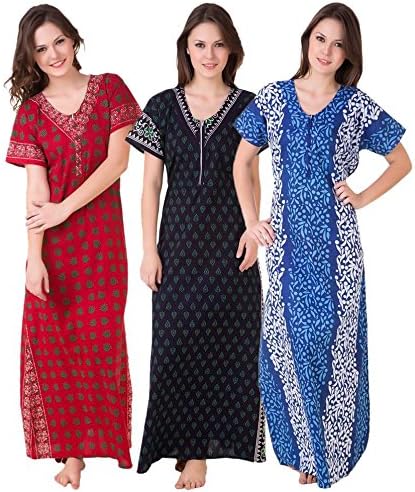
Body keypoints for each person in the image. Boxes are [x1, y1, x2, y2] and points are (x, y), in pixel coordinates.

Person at [233, 2, 411, 488]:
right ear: (306, 40)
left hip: (338, 251)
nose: (327, 51)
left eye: (338, 44)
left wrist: (361, 197)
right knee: (286, 346)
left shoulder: (356, 105)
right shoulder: (273, 98)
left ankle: (328, 454)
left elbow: (402, 161)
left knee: (333, 347)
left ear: (348, 53)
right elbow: (242, 161)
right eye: (320, 39)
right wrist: (252, 222)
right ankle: (304, 453)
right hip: (286, 247)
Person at [126, 3, 265, 489]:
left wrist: (253, 230)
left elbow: (251, 174)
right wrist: (149, 249)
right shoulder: (161, 105)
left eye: (219, 45)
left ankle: (199, 453)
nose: (210, 54)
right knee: (175, 348)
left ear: (232, 51)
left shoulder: (250, 106)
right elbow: (150, 185)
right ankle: (184, 446)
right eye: (201, 44)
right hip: (179, 245)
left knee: (229, 347)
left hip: (230, 244)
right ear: (186, 48)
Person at [5, 4, 141, 489]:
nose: (53, 54)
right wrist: (34, 258)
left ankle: (102, 443)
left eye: (59, 41)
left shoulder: (110, 89)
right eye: (41, 49)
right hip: (53, 250)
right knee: (54, 347)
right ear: (31, 57)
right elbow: (35, 190)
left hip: (101, 245)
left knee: (100, 346)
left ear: (74, 39)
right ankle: (71, 455)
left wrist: (65, 209)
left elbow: (118, 162)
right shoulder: (31, 112)